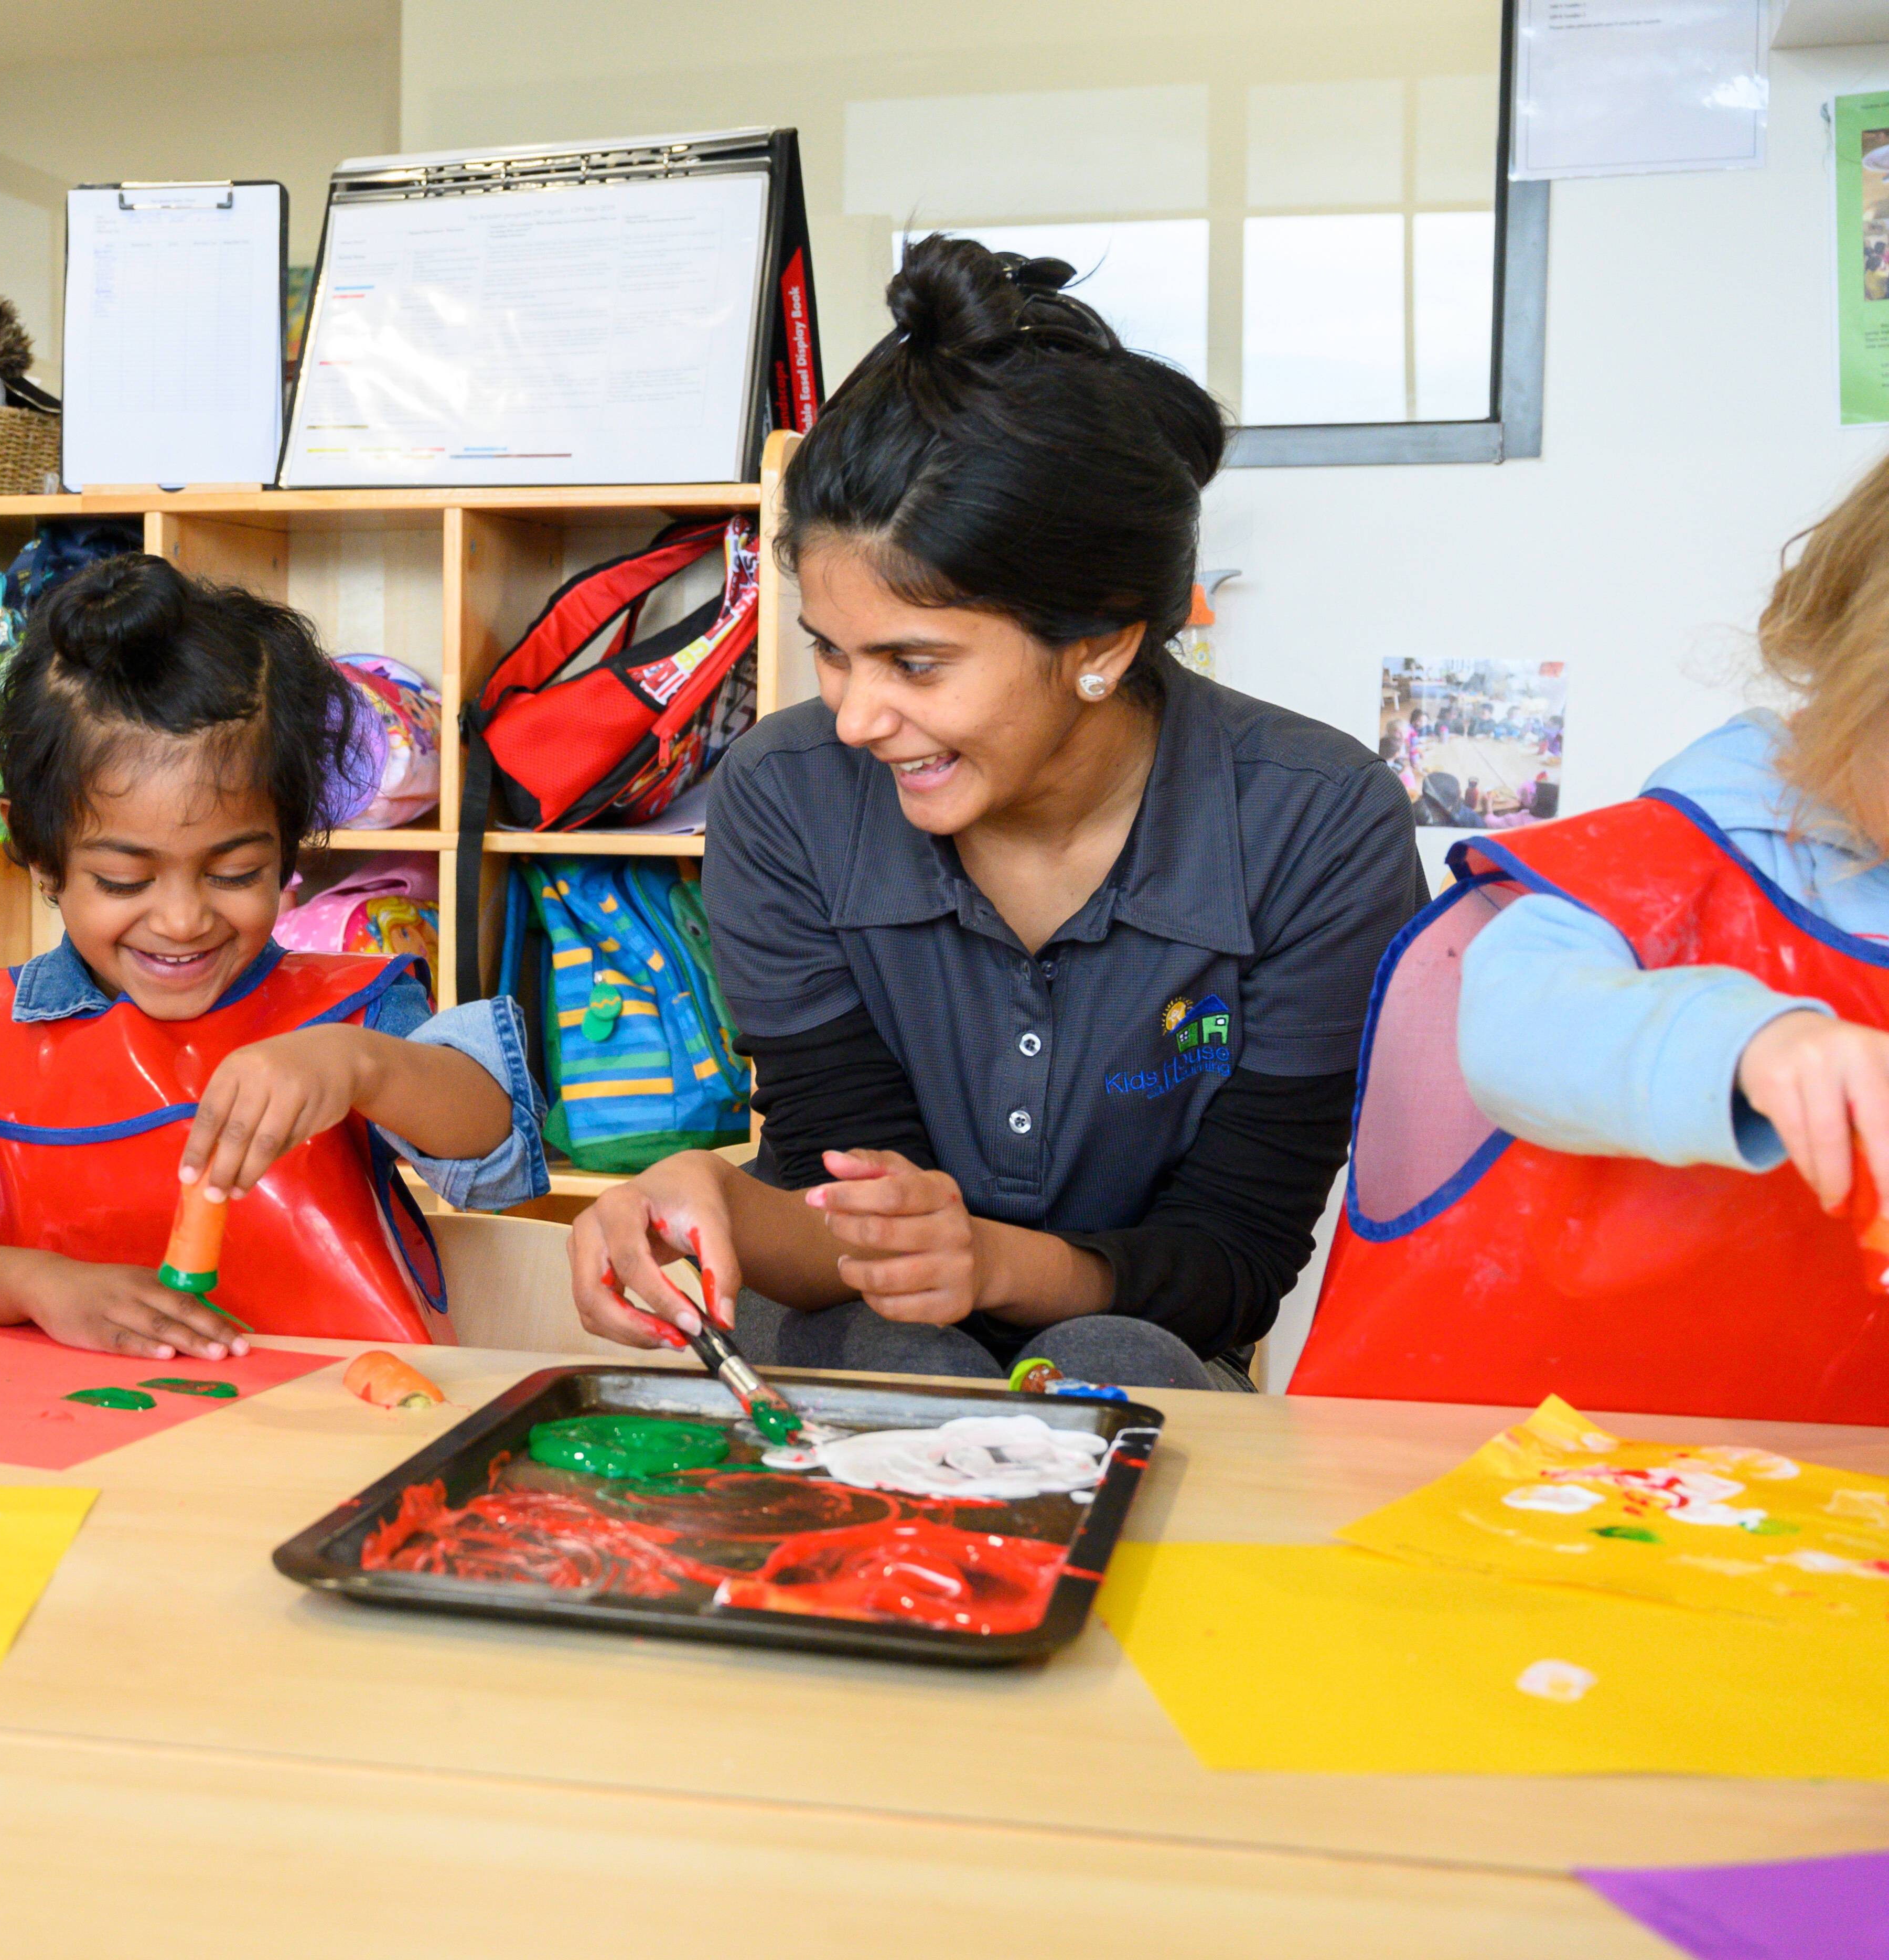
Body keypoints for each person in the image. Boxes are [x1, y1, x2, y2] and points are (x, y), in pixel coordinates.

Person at [566, 235, 1423, 1390]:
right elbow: (844, 1187)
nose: (857, 716)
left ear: (1103, 645)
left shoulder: (1315, 825)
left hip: (1144, 1339)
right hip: (857, 1321)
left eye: (914, 665)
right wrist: (706, 1198)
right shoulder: (787, 794)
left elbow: (1235, 1257)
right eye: (831, 653)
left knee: (1113, 1365)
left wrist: (993, 1262)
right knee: (893, 1355)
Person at [0, 553, 543, 1358]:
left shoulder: (346, 1017)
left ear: (288, 843)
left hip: (316, 1447)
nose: (183, 919)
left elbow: (496, 1145)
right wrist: (39, 1284)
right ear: (42, 856)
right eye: (124, 879)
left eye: (236, 873)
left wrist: (358, 1064)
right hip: (48, 1450)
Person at [1297, 453, 1889, 1423]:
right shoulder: (1665, 863)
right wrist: (1754, 1043)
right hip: (1521, 1460)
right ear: (1855, 693)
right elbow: (1518, 1028)